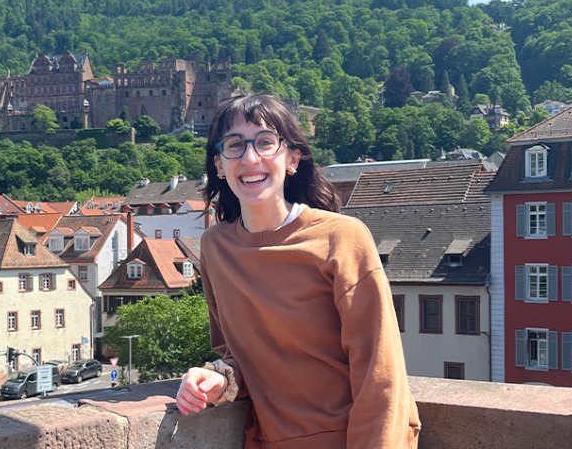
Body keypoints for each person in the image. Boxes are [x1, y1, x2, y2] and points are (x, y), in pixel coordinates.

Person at [175, 94, 421, 448]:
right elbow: (240, 356)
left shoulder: (342, 238)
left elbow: (380, 374)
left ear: (291, 158)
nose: (250, 157)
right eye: (234, 145)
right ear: (218, 164)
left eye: (265, 142)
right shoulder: (215, 249)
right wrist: (218, 377)